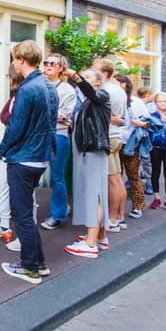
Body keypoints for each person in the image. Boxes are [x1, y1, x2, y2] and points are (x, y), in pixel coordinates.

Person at [0, 41, 58, 284]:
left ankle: (30, 267)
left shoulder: (26, 88)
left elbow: (16, 126)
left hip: (24, 158)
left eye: (14, 59)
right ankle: (39, 263)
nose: (13, 63)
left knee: (21, 214)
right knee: (25, 214)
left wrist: (3, 148)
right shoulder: (48, 85)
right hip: (41, 156)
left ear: (21, 60)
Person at [62, 68, 111, 259]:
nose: (84, 79)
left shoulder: (101, 95)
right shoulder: (88, 101)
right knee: (96, 194)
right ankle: (100, 236)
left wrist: (75, 77)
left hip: (92, 149)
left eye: (88, 77)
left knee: (93, 195)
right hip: (88, 150)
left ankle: (90, 244)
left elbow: (91, 93)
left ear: (98, 82)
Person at [39, 53, 76, 231]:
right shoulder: (39, 85)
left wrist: (46, 113)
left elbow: (65, 115)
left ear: (61, 68)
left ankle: (58, 215)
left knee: (57, 177)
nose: (47, 65)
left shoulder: (67, 89)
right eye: (46, 62)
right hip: (39, 134)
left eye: (52, 63)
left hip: (58, 135)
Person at [0, 67, 25, 250]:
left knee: (25, 192)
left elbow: (13, 122)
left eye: (9, 76)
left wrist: (4, 147)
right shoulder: (15, 95)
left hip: (19, 149)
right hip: (13, 148)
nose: (7, 79)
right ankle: (5, 226)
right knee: (1, 182)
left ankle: (24, 237)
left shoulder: (22, 95)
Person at [92, 58, 128, 232]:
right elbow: (122, 117)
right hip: (116, 136)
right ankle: (120, 217)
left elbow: (105, 115)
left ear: (104, 73)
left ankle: (112, 219)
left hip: (107, 136)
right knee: (117, 178)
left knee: (112, 180)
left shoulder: (105, 91)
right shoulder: (119, 89)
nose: (92, 72)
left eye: (95, 70)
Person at [115, 74, 147, 219]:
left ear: (124, 85)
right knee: (115, 177)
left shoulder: (136, 102)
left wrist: (140, 123)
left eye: (116, 83)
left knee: (133, 175)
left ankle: (138, 206)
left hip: (131, 143)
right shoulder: (111, 100)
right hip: (115, 142)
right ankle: (115, 208)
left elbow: (147, 121)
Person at [136, 86, 156, 195]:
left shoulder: (137, 103)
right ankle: (148, 184)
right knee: (145, 161)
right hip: (144, 137)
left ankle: (144, 182)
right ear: (148, 94)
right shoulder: (150, 107)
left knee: (140, 160)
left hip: (139, 136)